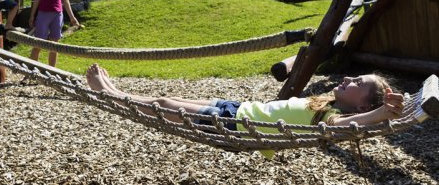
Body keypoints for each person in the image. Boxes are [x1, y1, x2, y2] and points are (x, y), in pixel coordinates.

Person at [85, 64, 403, 158]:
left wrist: (378, 116)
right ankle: (115, 92)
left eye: (356, 81)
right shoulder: (327, 104)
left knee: (165, 106)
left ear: (361, 104)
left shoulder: (329, 120)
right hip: (238, 111)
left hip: (236, 127)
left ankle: (111, 94)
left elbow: (342, 129)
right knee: (167, 98)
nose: (347, 77)